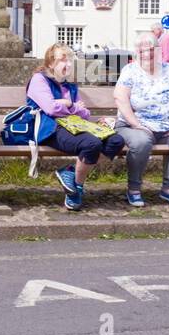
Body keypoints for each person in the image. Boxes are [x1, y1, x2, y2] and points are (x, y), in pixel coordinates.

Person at [26, 44, 125, 211]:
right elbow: (50, 109)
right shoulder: (39, 80)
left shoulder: (69, 85)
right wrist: (72, 106)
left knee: (116, 141)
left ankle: (71, 173)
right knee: (92, 144)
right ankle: (76, 191)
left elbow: (84, 114)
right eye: (63, 60)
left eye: (70, 60)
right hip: (50, 128)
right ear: (51, 63)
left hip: (74, 126)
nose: (69, 64)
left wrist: (68, 104)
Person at [114, 32, 169, 206]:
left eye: (151, 49)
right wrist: (136, 124)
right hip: (134, 126)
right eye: (142, 50)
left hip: (168, 127)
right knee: (141, 143)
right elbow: (120, 97)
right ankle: (134, 189)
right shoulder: (130, 70)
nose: (147, 53)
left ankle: (168, 189)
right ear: (136, 51)